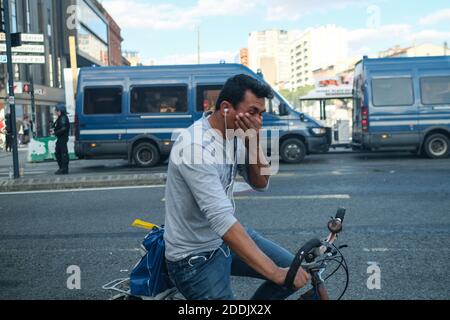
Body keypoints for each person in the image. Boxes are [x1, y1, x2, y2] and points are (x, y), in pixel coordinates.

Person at [164, 74, 310, 300]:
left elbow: (261, 183)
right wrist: (273, 273)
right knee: (282, 275)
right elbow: (221, 220)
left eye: (261, 114)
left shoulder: (234, 134)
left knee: (296, 272)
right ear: (225, 108)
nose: (258, 121)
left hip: (223, 240)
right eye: (252, 112)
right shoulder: (195, 146)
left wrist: (254, 140)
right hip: (194, 257)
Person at [51, 103, 70, 175]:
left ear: (60, 111)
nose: (55, 112)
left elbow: (63, 128)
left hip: (62, 138)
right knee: (59, 153)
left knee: (63, 153)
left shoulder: (63, 118)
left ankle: (64, 169)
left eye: (56, 110)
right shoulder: (61, 117)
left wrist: (55, 132)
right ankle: (62, 168)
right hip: (61, 138)